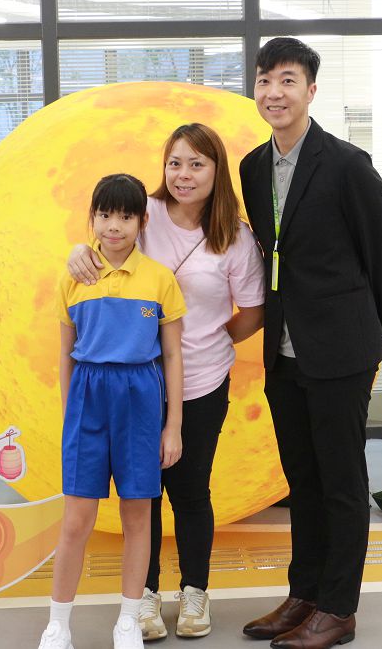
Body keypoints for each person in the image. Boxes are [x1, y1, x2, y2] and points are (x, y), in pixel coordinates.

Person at [67, 124, 265, 640]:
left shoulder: (235, 235)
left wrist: (212, 337)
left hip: (201, 380)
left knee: (191, 489)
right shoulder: (146, 212)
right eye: (175, 163)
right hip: (137, 382)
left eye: (197, 164)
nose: (184, 174)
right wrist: (76, 252)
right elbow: (105, 242)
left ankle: (195, 591)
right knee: (143, 493)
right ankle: (146, 596)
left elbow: (253, 311)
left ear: (217, 171)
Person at [238, 38, 382, 649]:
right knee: (301, 482)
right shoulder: (253, 167)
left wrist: (370, 339)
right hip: (283, 350)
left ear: (310, 90)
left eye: (287, 80)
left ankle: (338, 609)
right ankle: (303, 595)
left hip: (340, 351)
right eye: (264, 81)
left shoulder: (348, 165)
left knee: (341, 485)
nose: (274, 92)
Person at [39, 174, 187, 649]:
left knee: (137, 515)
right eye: (105, 215)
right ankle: (57, 624)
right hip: (88, 396)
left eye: (126, 216)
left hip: (140, 397)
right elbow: (65, 353)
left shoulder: (159, 279)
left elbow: (173, 356)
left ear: (143, 222)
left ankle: (127, 620)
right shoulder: (74, 276)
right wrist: (70, 414)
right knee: (76, 519)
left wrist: (173, 426)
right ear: (93, 217)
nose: (114, 226)